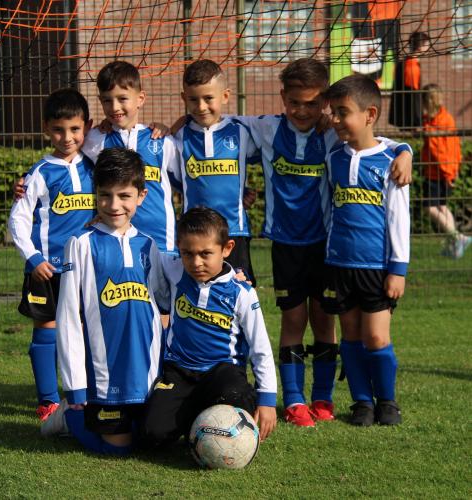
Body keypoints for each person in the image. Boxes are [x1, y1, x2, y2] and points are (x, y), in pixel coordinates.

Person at [235, 58, 413, 427]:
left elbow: (376, 141)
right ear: (283, 98)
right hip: (286, 245)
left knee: (325, 321)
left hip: (327, 248)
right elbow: (215, 121)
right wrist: (174, 124)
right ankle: (295, 400)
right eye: (294, 102)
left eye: (313, 103)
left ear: (325, 104)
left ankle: (324, 398)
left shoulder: (334, 137)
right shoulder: (267, 129)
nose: (303, 111)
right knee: (293, 320)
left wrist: (405, 151)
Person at [40, 147, 170, 455]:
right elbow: (68, 317)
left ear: (141, 196)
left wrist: (231, 274)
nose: (114, 205)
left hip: (147, 371)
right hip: (104, 375)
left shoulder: (149, 246)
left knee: (154, 439)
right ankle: (69, 416)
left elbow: (166, 299)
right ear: (95, 194)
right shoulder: (81, 244)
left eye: (124, 196)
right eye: (105, 195)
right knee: (118, 450)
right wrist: (75, 384)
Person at [142, 206, 277, 444]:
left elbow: (261, 348)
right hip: (179, 371)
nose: (196, 262)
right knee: (154, 433)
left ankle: (226, 415)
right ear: (179, 248)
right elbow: (141, 246)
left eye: (206, 254)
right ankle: (195, 419)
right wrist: (104, 222)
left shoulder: (242, 293)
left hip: (222, 372)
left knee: (234, 394)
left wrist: (267, 401)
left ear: (227, 248)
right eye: (187, 253)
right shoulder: (174, 269)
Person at [323, 74, 410, 426]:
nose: (335, 119)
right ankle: (361, 402)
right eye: (333, 112)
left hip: (377, 266)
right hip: (340, 263)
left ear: (370, 114)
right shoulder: (333, 157)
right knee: (351, 335)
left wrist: (398, 269)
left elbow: (398, 218)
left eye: (343, 112)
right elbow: (327, 208)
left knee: (376, 336)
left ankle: (386, 400)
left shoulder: (390, 160)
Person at [8, 88, 95, 421]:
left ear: (87, 126)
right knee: (47, 329)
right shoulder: (40, 172)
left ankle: (85, 394)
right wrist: (33, 259)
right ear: (46, 128)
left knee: (85, 330)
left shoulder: (95, 166)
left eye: (74, 129)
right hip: (46, 268)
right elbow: (18, 219)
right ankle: (48, 400)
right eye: (58, 130)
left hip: (85, 269)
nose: (67, 137)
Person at [171, 59, 258, 284]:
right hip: (194, 232)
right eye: (193, 99)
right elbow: (175, 179)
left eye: (208, 98)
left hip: (234, 230)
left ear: (225, 96)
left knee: (239, 288)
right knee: (195, 292)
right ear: (184, 98)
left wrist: (242, 191)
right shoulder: (178, 137)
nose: (201, 107)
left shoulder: (242, 133)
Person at [81, 60, 179, 256]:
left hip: (161, 241)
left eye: (122, 98)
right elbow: (67, 163)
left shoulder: (162, 140)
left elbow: (187, 181)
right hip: (114, 240)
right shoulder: (94, 139)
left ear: (140, 98)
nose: (115, 107)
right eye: (107, 100)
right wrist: (26, 178)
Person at [421, 83, 471, 258]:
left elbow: (440, 152)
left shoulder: (439, 122)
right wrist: (453, 171)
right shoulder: (443, 118)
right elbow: (454, 147)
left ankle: (457, 237)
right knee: (442, 206)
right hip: (445, 171)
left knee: (429, 208)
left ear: (427, 101)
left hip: (438, 173)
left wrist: (448, 174)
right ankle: (455, 246)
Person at [389, 31, 431, 129]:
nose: (429, 48)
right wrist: (418, 119)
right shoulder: (411, 65)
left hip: (403, 115)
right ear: (420, 47)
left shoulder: (405, 62)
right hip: (409, 118)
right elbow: (412, 94)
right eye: (427, 45)